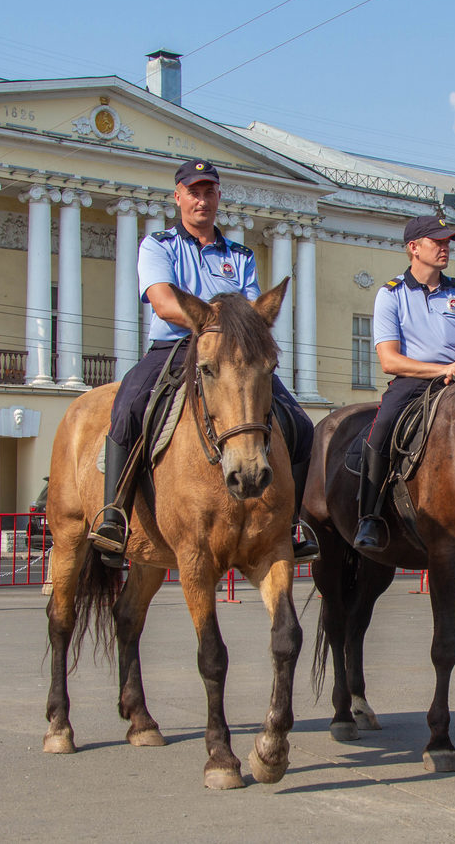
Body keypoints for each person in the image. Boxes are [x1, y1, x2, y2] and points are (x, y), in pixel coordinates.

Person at [88, 158, 318, 567]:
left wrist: (230, 327)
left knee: (299, 423)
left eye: (209, 191)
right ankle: (114, 515)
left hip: (232, 354)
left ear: (218, 196)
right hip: (175, 348)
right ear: (178, 197)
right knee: (128, 407)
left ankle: (293, 523)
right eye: (194, 191)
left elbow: (252, 312)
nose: (202, 199)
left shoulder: (239, 254)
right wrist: (214, 321)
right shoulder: (158, 245)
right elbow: (162, 301)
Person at [353, 215, 455, 552]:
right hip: (412, 384)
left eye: (448, 242)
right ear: (413, 248)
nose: (445, 248)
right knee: (381, 428)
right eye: (437, 242)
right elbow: (389, 361)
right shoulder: (391, 294)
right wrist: (440, 370)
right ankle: (369, 517)